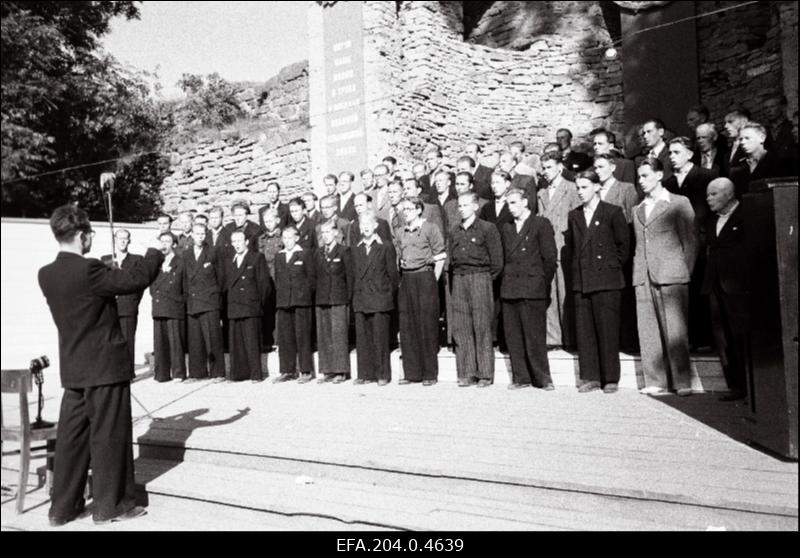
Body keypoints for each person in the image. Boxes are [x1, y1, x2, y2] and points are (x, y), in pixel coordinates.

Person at [39, 205, 162, 526]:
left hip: (74, 371)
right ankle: (112, 507)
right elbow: (135, 279)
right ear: (81, 236)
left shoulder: (47, 274)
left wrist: (106, 269)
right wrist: (155, 251)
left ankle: (62, 509)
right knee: (110, 437)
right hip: (105, 368)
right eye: (90, 233)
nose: (92, 237)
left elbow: (90, 291)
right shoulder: (91, 270)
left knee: (72, 441)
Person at [633, 158, 698, 396]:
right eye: (639, 177)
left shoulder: (678, 203)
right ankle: (655, 380)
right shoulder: (638, 209)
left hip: (672, 275)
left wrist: (684, 271)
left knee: (675, 330)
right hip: (644, 276)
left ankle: (682, 382)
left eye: (646, 176)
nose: (641, 181)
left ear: (659, 175)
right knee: (648, 330)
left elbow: (690, 241)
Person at [566, 170, 630, 393]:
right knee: (585, 331)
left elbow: (624, 246)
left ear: (596, 187)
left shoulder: (612, 212)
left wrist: (609, 269)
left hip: (606, 280)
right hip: (583, 280)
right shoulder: (574, 215)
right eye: (578, 188)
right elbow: (575, 248)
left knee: (607, 330)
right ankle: (590, 377)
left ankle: (610, 377)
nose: (580, 192)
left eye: (584, 187)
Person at [500, 188, 558, 390]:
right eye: (508, 204)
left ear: (525, 202)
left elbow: (550, 259)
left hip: (532, 288)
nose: (511, 207)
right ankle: (521, 377)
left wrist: (540, 283)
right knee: (514, 336)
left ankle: (542, 378)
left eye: (514, 203)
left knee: (535, 335)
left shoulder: (540, 224)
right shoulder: (506, 227)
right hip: (510, 288)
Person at [664, 136, 717, 352]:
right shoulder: (667, 183)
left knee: (697, 289)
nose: (672, 157)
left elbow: (711, 210)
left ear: (690, 154)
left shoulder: (705, 177)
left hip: (699, 242)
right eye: (670, 153)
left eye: (677, 152)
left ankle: (703, 338)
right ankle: (682, 339)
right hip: (673, 244)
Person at [448, 192, 503, 387]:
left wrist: (484, 280)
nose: (461, 208)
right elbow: (451, 259)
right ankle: (467, 372)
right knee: (462, 327)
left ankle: (485, 374)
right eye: (459, 206)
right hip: (459, 279)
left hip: (480, 278)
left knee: (481, 326)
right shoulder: (454, 230)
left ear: (475, 206)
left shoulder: (487, 229)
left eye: (465, 205)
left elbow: (497, 262)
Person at [703, 178, 751, 402]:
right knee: (722, 338)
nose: (708, 198)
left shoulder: (746, 216)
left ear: (729, 195)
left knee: (741, 336)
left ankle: (751, 385)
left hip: (738, 287)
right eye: (707, 194)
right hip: (715, 286)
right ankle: (735, 385)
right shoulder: (712, 220)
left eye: (713, 194)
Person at [395, 197, 447, 386]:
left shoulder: (430, 228)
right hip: (407, 279)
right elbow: (400, 257)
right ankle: (412, 373)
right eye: (403, 209)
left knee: (426, 325)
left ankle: (429, 374)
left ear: (418, 210)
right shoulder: (400, 232)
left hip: (425, 278)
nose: (405, 212)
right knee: (408, 327)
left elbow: (440, 256)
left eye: (409, 209)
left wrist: (433, 279)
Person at [537, 151, 581, 349]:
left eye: (549, 167)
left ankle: (571, 337)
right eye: (543, 168)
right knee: (550, 294)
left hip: (564, 247)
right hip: (547, 249)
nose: (545, 172)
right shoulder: (542, 193)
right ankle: (553, 338)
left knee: (566, 294)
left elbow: (577, 219)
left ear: (559, 167)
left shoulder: (571, 189)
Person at [352, 212, 399, 385]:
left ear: (375, 226)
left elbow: (393, 277)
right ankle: (365, 374)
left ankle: (382, 375)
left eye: (368, 223)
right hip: (362, 299)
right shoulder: (356, 249)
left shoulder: (385, 246)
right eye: (362, 223)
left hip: (380, 300)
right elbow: (353, 275)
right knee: (363, 340)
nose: (365, 227)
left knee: (380, 339)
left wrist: (384, 294)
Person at [226, 230, 271, 382]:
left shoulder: (256, 258)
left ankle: (255, 374)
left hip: (251, 307)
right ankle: (239, 374)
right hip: (234, 307)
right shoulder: (230, 261)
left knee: (252, 342)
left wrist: (258, 304)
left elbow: (264, 285)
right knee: (236, 342)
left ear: (246, 242)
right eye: (234, 241)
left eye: (239, 241)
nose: (237, 245)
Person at [273, 226, 316, 383]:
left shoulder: (305, 254)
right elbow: (277, 279)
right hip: (284, 302)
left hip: (301, 302)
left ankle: (305, 370)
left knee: (302, 336)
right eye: (284, 238)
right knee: (285, 337)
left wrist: (303, 295)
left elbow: (311, 279)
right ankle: (287, 370)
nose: (287, 241)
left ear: (296, 238)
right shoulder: (279, 256)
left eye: (290, 237)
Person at [184, 222, 225, 382]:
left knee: (213, 338)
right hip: (193, 301)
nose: (200, 237)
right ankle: (197, 373)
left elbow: (221, 277)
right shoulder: (186, 254)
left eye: (202, 234)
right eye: (197, 234)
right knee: (195, 340)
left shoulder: (213, 252)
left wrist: (215, 297)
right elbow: (185, 278)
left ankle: (218, 372)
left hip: (210, 301)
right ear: (192, 235)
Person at [314, 220, 353, 384]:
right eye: (323, 233)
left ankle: (340, 370)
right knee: (324, 335)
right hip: (322, 299)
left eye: (328, 232)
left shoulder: (344, 251)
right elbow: (314, 277)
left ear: (336, 233)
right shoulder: (318, 253)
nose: (325, 235)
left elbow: (350, 277)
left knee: (338, 335)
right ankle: (327, 369)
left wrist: (348, 298)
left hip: (339, 298)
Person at [100, 229, 145, 365]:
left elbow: (140, 283)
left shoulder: (137, 260)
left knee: (127, 340)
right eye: (120, 238)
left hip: (128, 306)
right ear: (115, 239)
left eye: (125, 238)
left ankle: (127, 371)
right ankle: (112, 370)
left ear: (129, 240)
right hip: (110, 307)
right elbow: (101, 283)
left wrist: (134, 299)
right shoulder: (106, 260)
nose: (123, 241)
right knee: (110, 340)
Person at [151, 231, 187, 383]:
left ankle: (178, 373)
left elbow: (184, 285)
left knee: (175, 342)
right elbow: (151, 283)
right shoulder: (156, 262)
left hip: (174, 305)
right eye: (162, 241)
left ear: (173, 244)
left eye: (167, 241)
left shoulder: (180, 261)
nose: (164, 244)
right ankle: (161, 374)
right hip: (159, 305)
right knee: (160, 343)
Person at [257, 208, 282, 351]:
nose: (268, 224)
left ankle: (278, 340)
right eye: (266, 221)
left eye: (271, 220)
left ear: (277, 220)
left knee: (278, 309)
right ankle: (268, 340)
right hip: (266, 278)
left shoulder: (282, 237)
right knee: (267, 308)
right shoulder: (261, 239)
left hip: (278, 278)